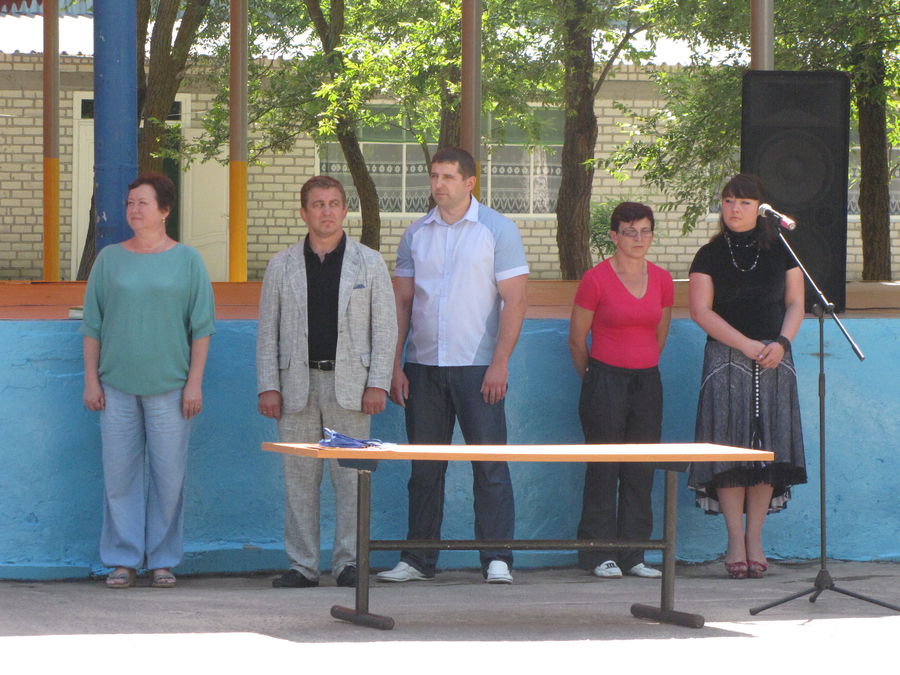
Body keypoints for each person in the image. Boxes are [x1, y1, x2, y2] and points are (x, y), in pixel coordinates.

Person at [377, 147, 528, 584]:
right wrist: (395, 364)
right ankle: (417, 559)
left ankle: (497, 558)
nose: (438, 184)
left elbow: (516, 301)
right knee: (425, 468)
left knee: (490, 465)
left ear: (469, 182)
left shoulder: (497, 230)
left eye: (448, 176)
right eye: (434, 176)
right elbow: (402, 303)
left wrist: (500, 363)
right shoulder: (416, 233)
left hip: (478, 368)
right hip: (423, 366)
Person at [257, 175, 397, 589]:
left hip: (351, 387)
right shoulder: (281, 265)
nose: (327, 211)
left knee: (351, 478)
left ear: (345, 210)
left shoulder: (369, 262)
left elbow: (384, 328)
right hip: (296, 387)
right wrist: (268, 385)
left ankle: (348, 563)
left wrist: (378, 383)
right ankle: (302, 565)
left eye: (334, 203)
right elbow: (267, 331)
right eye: (318, 204)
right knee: (299, 480)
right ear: (304, 213)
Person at [82, 172, 216, 589]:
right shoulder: (109, 260)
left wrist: (194, 383)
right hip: (116, 386)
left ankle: (162, 560)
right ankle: (122, 559)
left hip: (171, 387)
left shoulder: (188, 260)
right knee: (119, 477)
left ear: (165, 210)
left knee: (168, 477)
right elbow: (92, 325)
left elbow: (201, 328)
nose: (134, 209)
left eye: (143, 202)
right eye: (130, 203)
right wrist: (91, 380)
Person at [687, 173, 807, 579]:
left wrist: (782, 343)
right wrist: (744, 344)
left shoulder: (783, 251)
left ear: (760, 208)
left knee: (765, 451)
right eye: (727, 201)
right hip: (727, 358)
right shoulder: (708, 254)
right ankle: (735, 541)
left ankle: (756, 538)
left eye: (743, 202)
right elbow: (701, 311)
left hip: (774, 358)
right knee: (730, 449)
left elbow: (796, 303)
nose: (734, 209)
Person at [568, 202, 673, 580]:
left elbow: (660, 334)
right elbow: (576, 339)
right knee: (603, 467)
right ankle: (598, 553)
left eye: (645, 231)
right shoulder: (595, 278)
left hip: (647, 382)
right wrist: (595, 378)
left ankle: (634, 554)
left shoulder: (662, 279)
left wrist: (640, 366)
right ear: (614, 236)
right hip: (604, 380)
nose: (638, 239)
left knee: (640, 468)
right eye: (630, 232)